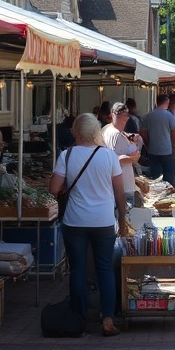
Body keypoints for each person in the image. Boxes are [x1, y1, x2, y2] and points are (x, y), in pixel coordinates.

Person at [49, 113, 128, 337]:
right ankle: (108, 318)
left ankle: (79, 319)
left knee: (78, 270)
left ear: (75, 131)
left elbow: (54, 189)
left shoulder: (67, 154)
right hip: (103, 221)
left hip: (75, 221)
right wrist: (122, 219)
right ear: (96, 131)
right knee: (105, 269)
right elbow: (119, 193)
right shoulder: (109, 157)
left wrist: (64, 185)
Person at [103, 103, 143, 207]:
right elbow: (115, 159)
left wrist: (131, 138)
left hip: (117, 184)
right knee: (124, 217)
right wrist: (133, 158)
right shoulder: (115, 134)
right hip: (122, 184)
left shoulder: (108, 129)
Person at [141, 93, 175, 184]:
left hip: (153, 149)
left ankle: (157, 193)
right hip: (166, 150)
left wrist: (147, 145)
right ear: (167, 102)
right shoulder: (170, 116)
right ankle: (169, 192)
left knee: (155, 176)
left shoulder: (148, 116)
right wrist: (174, 146)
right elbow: (174, 134)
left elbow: (142, 133)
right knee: (168, 174)